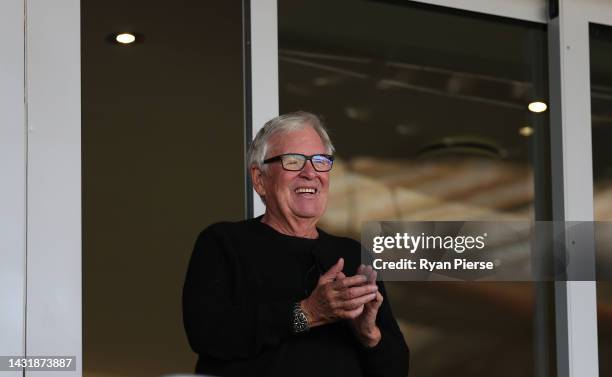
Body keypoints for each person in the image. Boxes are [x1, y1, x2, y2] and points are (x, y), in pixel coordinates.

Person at [182, 111, 409, 377]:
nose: (310, 173)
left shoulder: (352, 254)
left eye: (321, 161)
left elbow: (396, 370)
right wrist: (307, 313)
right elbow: (207, 335)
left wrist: (368, 334)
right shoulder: (225, 243)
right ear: (259, 179)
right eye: (293, 161)